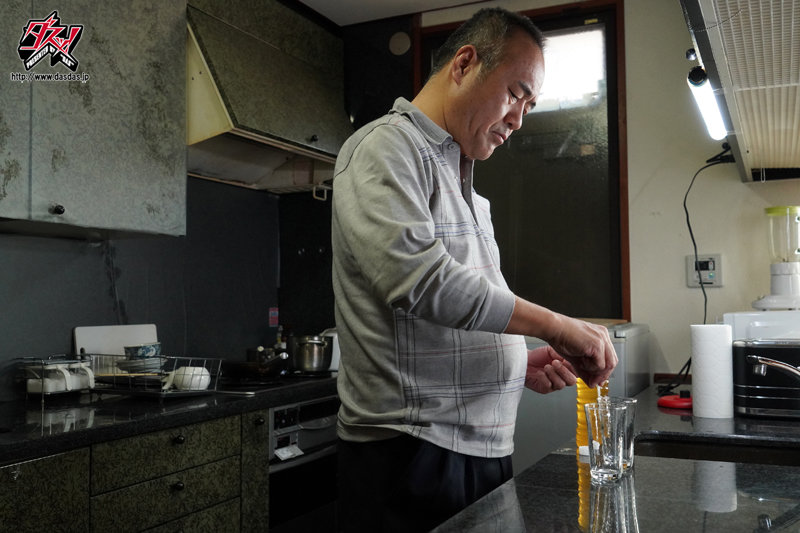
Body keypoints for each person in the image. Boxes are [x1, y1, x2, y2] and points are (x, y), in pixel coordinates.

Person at [331, 7, 617, 532]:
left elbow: (455, 310)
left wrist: (514, 363)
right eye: (515, 95)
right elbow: (421, 282)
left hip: (473, 449)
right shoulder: (384, 148)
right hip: (412, 453)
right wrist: (557, 326)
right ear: (464, 64)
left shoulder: (467, 186)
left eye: (529, 105)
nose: (519, 120)